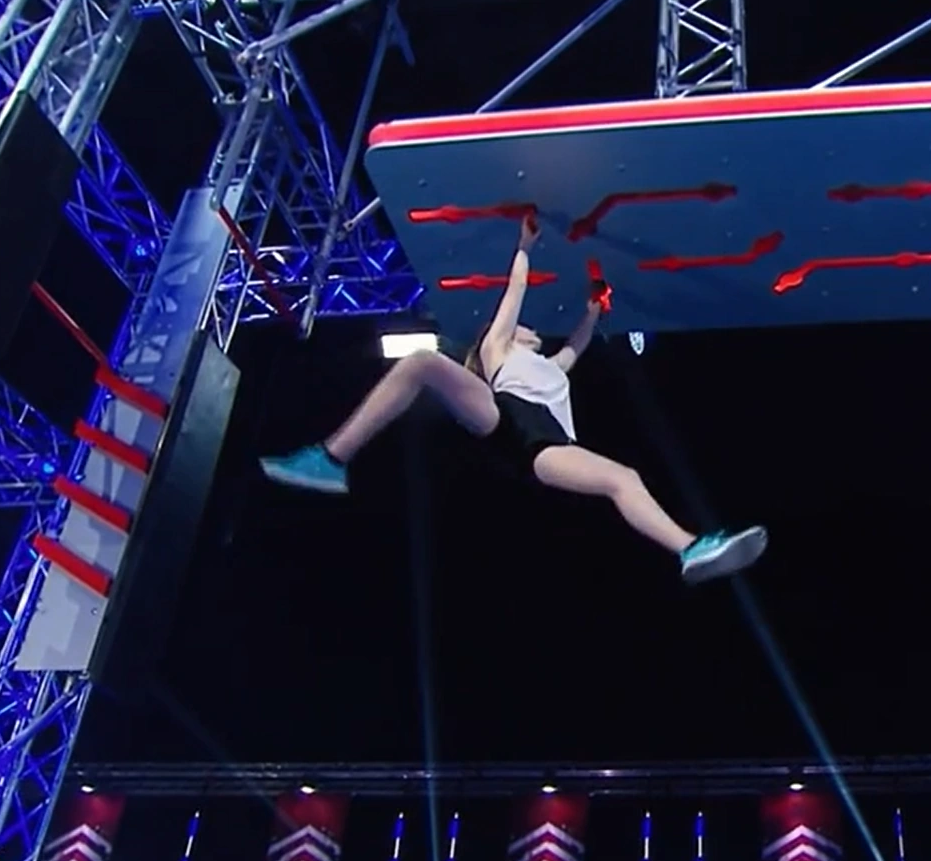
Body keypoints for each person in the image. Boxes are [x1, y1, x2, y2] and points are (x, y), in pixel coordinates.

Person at [260, 214, 767, 585]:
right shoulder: (496, 348)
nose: (530, 330)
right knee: (420, 363)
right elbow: (514, 292)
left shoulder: (551, 368)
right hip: (505, 418)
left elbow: (576, 346)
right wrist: (524, 246)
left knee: (624, 480)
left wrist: (595, 309)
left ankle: (690, 549)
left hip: (546, 450)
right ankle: (331, 458)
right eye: (524, 329)